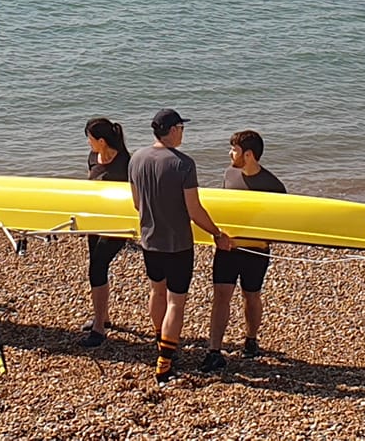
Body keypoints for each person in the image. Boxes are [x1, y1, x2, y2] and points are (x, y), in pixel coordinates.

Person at [127, 108, 234, 385]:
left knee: (156, 291)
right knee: (176, 301)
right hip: (177, 245)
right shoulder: (184, 164)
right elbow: (194, 209)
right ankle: (164, 363)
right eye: (182, 128)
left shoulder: (136, 159)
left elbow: (137, 203)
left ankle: (161, 342)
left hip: (149, 240)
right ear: (173, 130)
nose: (183, 133)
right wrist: (217, 233)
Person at [199, 130, 287, 373]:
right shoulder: (229, 174)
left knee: (251, 296)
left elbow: (280, 223)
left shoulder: (272, 185)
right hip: (228, 248)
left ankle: (251, 339)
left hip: (256, 252)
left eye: (234, 150)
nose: (230, 153)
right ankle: (214, 350)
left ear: (248, 155)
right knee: (221, 295)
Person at [80, 117, 132, 347]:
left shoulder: (125, 162)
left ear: (101, 140)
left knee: (97, 267)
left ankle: (99, 328)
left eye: (90, 139)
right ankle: (103, 317)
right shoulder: (93, 157)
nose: (88, 143)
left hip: (118, 224)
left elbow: (135, 193)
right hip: (96, 221)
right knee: (97, 266)